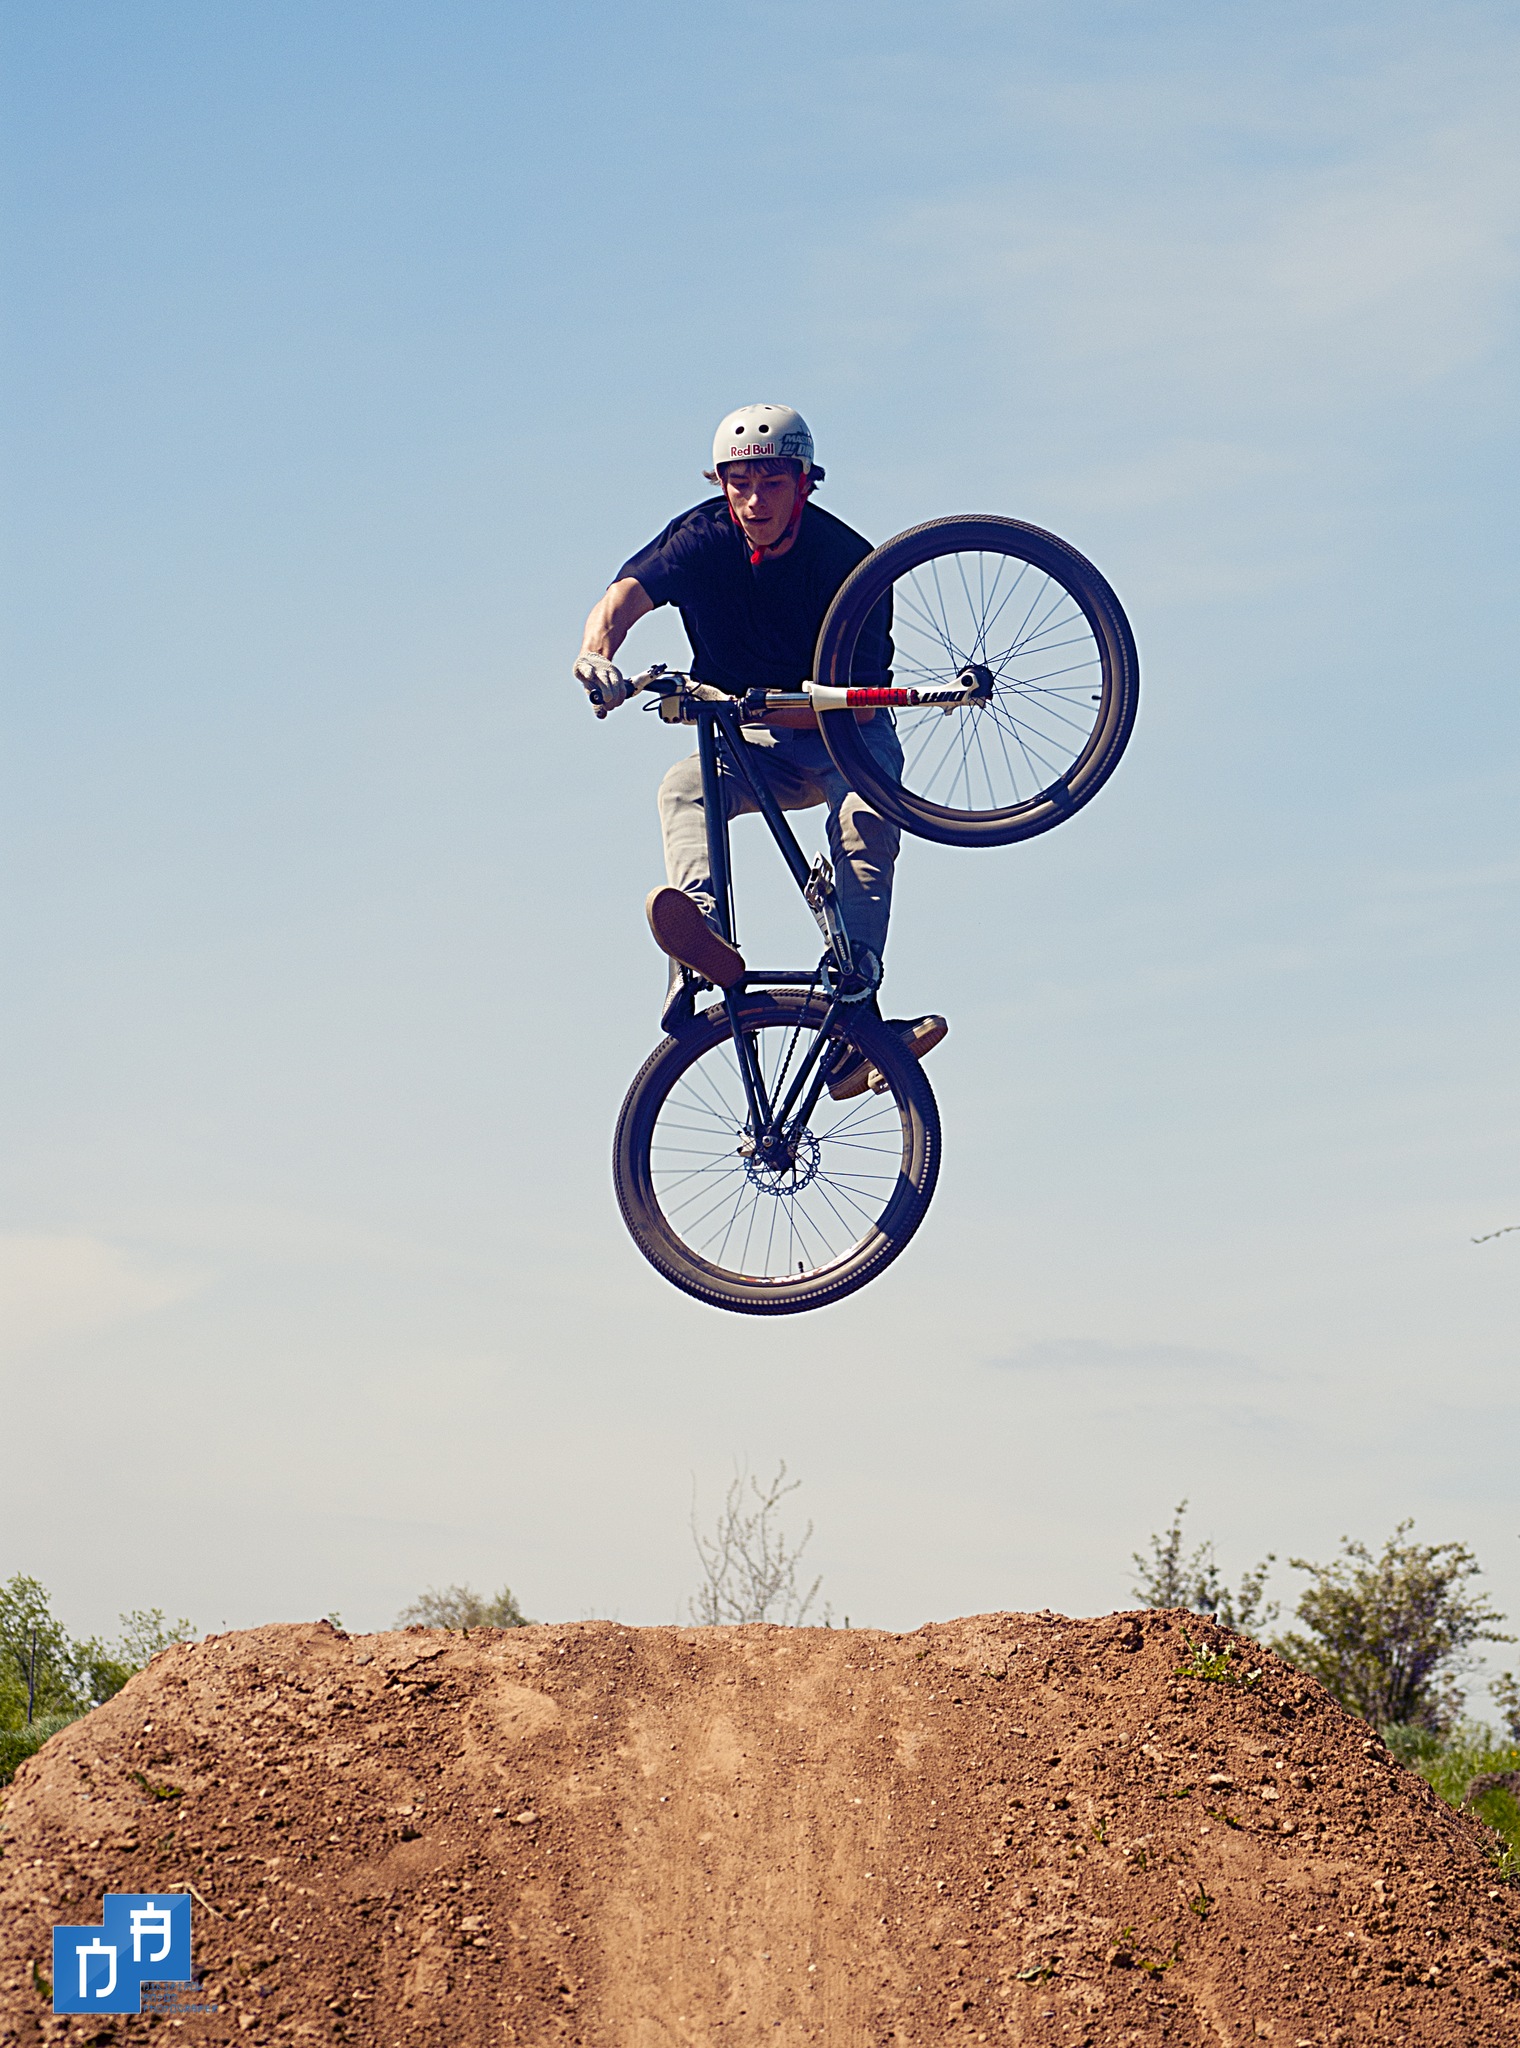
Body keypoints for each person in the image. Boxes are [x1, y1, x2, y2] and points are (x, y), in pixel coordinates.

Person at [574, 403, 944, 1098]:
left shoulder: (846, 561)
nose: (754, 501)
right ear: (721, 485)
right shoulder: (702, 538)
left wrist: (764, 704)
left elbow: (861, 699)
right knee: (684, 787)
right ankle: (701, 941)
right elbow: (624, 595)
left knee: (864, 820)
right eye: (739, 484)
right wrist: (597, 652)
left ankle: (856, 1014)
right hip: (756, 745)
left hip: (842, 733)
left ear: (804, 483)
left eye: (771, 484)